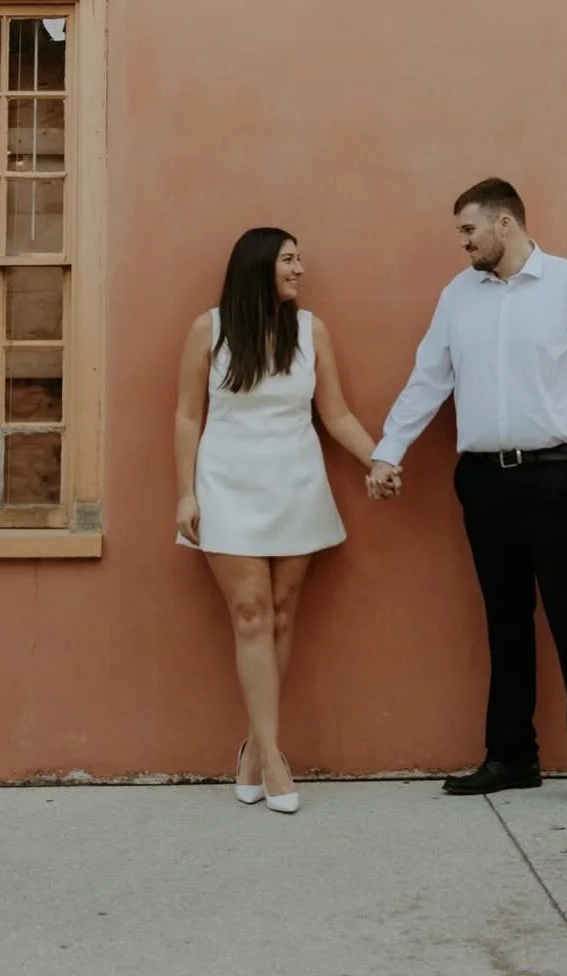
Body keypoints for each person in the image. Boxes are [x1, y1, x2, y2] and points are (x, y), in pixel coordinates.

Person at [368, 179, 567, 814]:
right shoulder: (458, 297)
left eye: (468, 230)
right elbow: (428, 380)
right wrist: (389, 450)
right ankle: (512, 757)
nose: (462, 243)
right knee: (505, 621)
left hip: (557, 477)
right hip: (484, 481)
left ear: (504, 223)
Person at [175, 226, 381, 814]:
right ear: (259, 265)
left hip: (296, 486)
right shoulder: (208, 329)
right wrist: (185, 493)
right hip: (227, 487)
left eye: (299, 259)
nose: (299, 269)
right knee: (250, 613)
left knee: (283, 613)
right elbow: (187, 416)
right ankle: (272, 758)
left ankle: (253, 750)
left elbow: (335, 415)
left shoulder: (311, 330)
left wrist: (378, 459)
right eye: (289, 259)